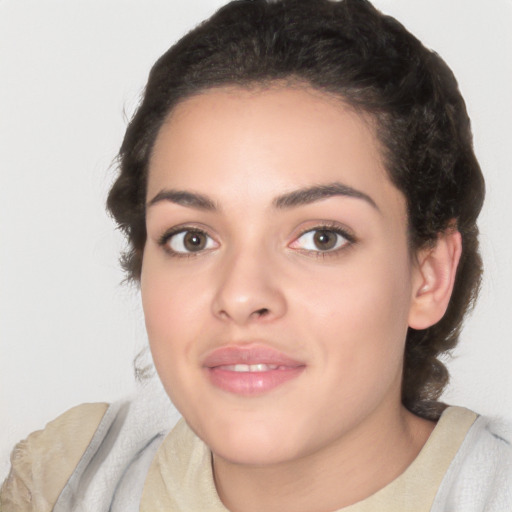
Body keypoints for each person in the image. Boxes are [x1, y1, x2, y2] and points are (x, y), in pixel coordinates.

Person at [1, 0, 511, 510]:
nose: (241, 296)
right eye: (192, 239)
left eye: (321, 238)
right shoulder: (67, 482)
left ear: (429, 276)